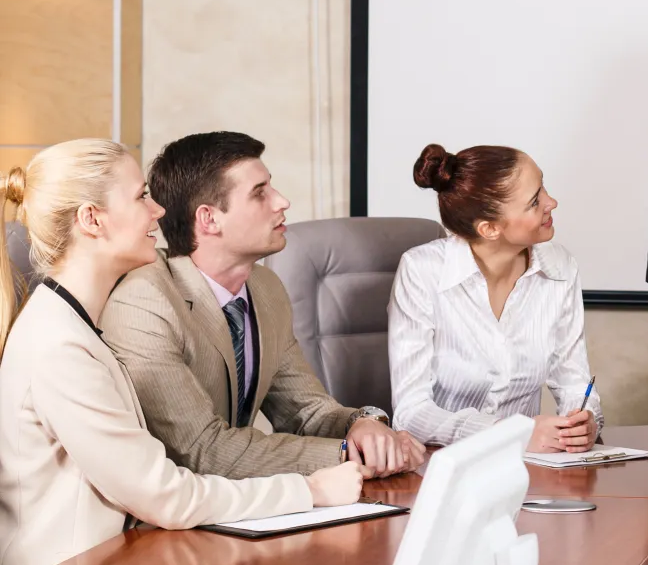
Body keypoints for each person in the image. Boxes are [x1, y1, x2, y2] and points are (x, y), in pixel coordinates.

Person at [0, 141, 362, 565]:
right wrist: (309, 490)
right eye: (140, 197)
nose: (157, 211)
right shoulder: (59, 347)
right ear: (92, 219)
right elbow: (163, 494)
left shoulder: (71, 325)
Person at [99, 133, 424, 478]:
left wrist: (365, 424)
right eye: (259, 194)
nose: (282, 201)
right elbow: (201, 451)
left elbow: (308, 412)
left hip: (247, 507)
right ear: (209, 219)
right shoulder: (145, 300)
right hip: (165, 516)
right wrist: (347, 455)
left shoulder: (264, 287)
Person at [389, 144, 600, 452]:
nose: (551, 202)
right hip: (438, 469)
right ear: (489, 229)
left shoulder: (560, 266)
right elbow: (411, 413)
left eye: (543, 187)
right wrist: (510, 433)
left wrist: (583, 420)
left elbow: (573, 381)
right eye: (534, 201)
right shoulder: (422, 271)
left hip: (526, 471)